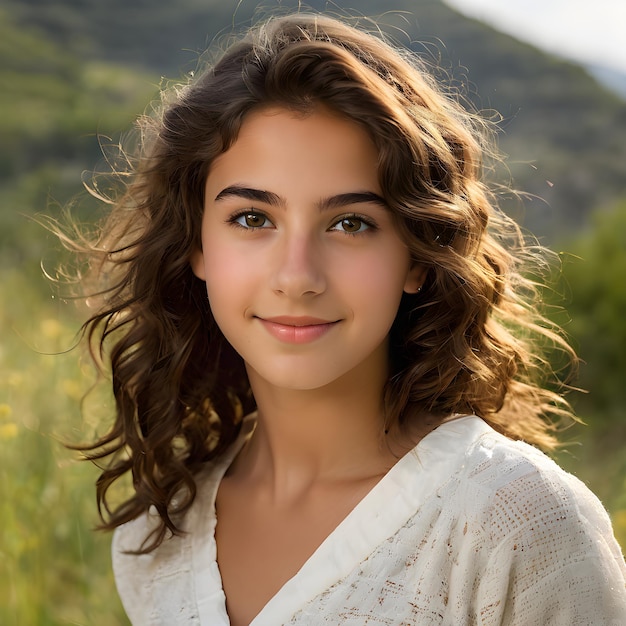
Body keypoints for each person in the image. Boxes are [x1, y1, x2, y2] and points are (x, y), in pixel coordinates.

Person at [64, 12, 626, 625]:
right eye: (253, 219)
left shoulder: (518, 526)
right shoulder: (157, 534)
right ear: (197, 246)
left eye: (350, 223)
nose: (297, 275)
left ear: (417, 254)